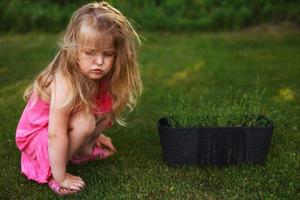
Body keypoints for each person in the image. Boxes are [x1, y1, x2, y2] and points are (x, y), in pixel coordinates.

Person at [15, 1, 142, 195]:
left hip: (58, 133)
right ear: (74, 51)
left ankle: (81, 152)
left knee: (104, 107)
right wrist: (61, 177)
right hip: (38, 137)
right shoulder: (64, 81)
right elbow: (55, 134)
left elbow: (100, 110)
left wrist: (96, 137)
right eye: (90, 53)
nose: (99, 62)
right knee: (84, 121)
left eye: (107, 54)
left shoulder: (97, 75)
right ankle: (50, 172)